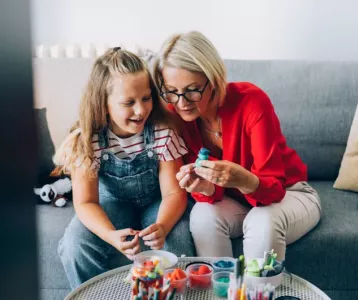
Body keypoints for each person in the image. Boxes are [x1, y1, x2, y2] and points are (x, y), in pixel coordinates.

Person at [153, 31, 322, 261]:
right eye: (172, 91)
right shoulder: (176, 116)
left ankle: (259, 295)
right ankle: (219, 295)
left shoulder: (252, 102)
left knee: (262, 221)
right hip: (238, 202)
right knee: (202, 216)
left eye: (192, 90)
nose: (181, 102)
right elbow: (212, 193)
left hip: (290, 193)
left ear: (213, 80)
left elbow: (274, 189)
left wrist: (242, 179)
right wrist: (205, 188)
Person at [54, 48, 194, 289]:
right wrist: (109, 235)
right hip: (112, 205)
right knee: (74, 244)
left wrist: (163, 226)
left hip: (158, 203)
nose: (141, 110)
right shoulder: (88, 139)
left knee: (177, 242)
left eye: (146, 98)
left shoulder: (162, 132)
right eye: (129, 102)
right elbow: (86, 202)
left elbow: (173, 193)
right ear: (104, 103)